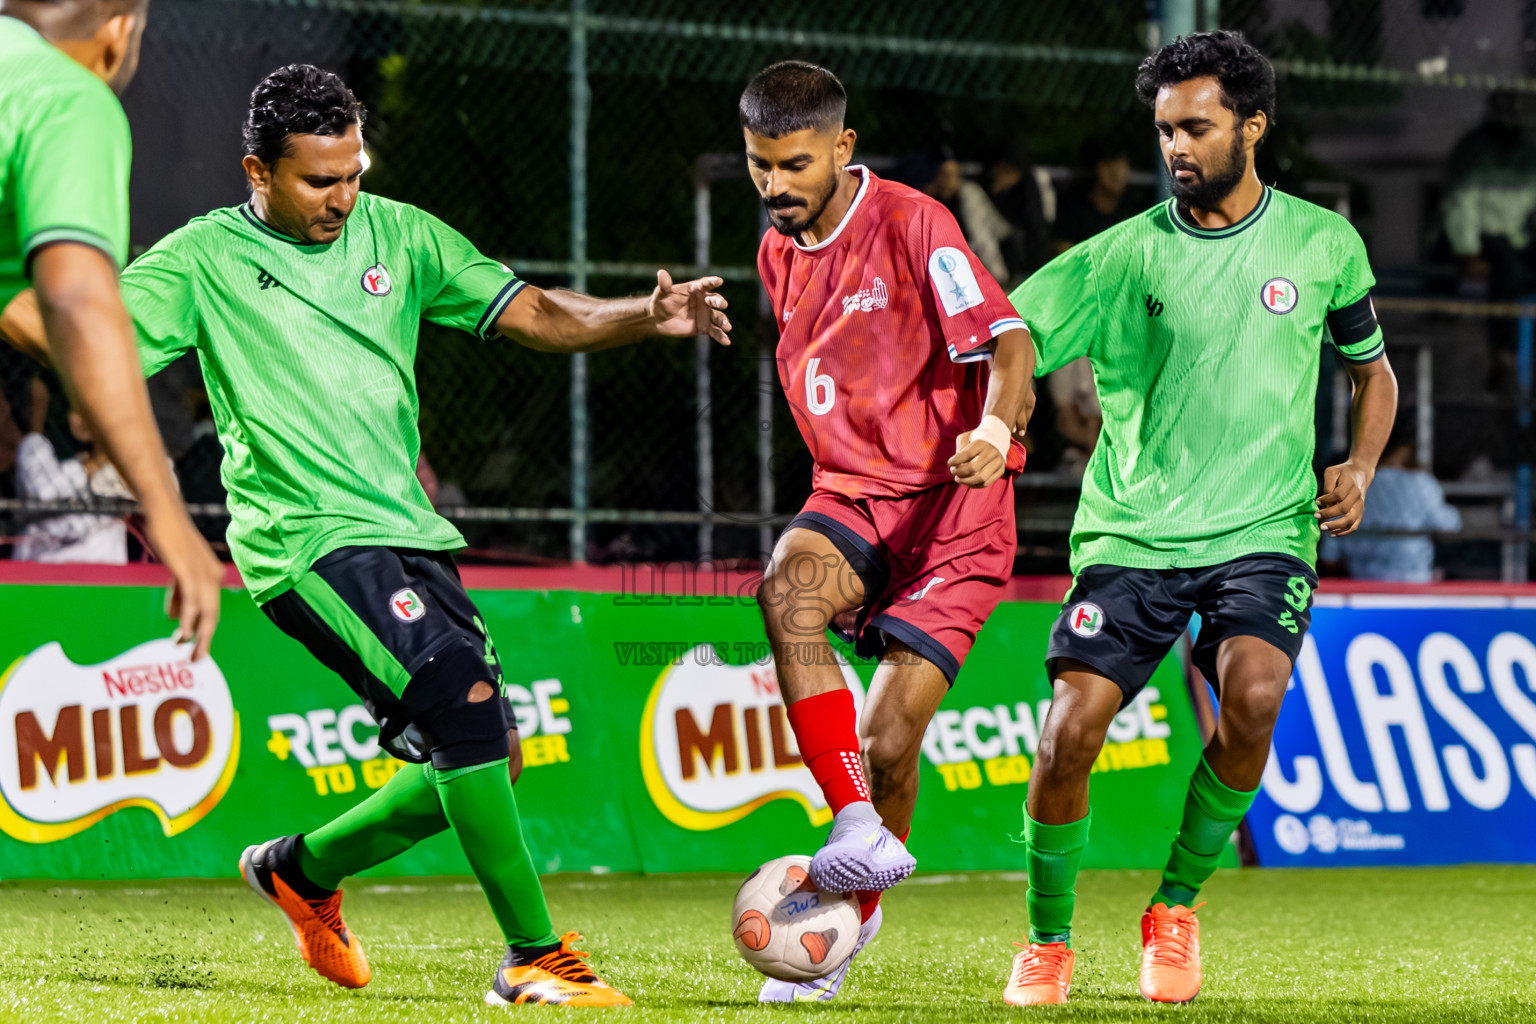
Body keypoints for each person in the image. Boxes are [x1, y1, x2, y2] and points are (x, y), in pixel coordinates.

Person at [1, 63, 730, 1007]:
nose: (345, 196)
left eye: (355, 171)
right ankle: (534, 956)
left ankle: (302, 872)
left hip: (408, 532)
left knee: (486, 758)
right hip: (303, 542)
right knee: (461, 707)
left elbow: (536, 312)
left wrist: (645, 315)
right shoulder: (200, 260)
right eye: (319, 179)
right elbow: (75, 335)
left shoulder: (403, 233)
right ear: (257, 171)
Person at [1003, 31, 1397, 1006]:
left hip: (1266, 526)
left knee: (1255, 698)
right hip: (1134, 534)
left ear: (1251, 126)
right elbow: (1007, 332)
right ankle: (1049, 939)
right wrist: (990, 408)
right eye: (1164, 130)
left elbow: (1373, 372)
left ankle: (1174, 907)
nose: (1175, 146)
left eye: (1195, 126)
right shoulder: (1118, 255)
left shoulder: (1323, 244)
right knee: (1066, 735)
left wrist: (1362, 462)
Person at [741, 61, 1034, 1002]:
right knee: (786, 591)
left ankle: (843, 932)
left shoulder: (915, 222)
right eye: (758, 165)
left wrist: (994, 427)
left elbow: (1012, 340)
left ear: (842, 147)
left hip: (956, 515)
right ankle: (856, 825)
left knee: (891, 741)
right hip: (855, 496)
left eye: (793, 164)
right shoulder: (776, 253)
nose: (775, 186)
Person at [0, 0, 222, 656]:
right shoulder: (64, 97)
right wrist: (162, 501)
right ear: (121, 30)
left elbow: (25, 311)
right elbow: (74, 301)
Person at [1443, 89, 1536, 388]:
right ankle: (1502, 354)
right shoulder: (1474, 149)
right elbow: (1461, 201)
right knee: (1506, 269)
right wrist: (1468, 250)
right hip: (1481, 239)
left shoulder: (1527, 150)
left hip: (1518, 237)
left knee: (1515, 264)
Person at [13, 376, 136, 563]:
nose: (75, 418)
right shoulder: (35, 448)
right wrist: (90, 466)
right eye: (73, 409)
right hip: (40, 577)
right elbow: (46, 492)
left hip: (106, 579)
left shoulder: (129, 465)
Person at [1324, 424, 1461, 583]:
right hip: (1414, 581)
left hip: (1362, 581)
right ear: (1403, 449)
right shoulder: (1421, 483)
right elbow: (1450, 525)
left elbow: (1329, 555)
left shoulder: (1349, 483)